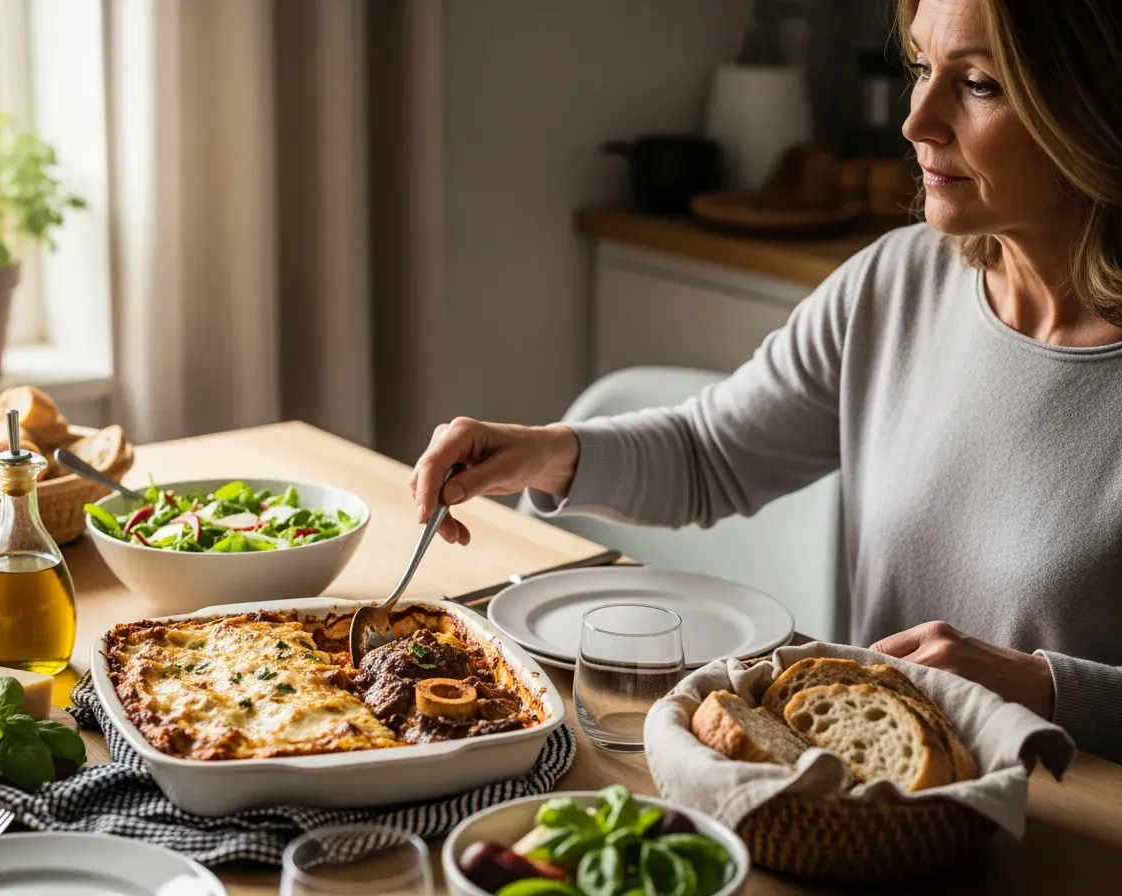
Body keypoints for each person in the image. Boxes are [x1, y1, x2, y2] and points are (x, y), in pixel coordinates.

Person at [409, 0, 1122, 763]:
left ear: (1091, 106)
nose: (917, 121)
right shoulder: (895, 282)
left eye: (978, 84)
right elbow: (710, 453)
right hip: (883, 810)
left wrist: (1044, 687)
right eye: (920, 68)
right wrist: (539, 452)